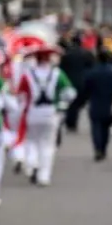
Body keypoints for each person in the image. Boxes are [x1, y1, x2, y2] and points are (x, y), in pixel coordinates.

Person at [16, 44, 76, 186]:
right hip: (50, 113)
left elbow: (20, 95)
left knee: (31, 141)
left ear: (36, 59)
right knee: (47, 145)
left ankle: (32, 164)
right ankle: (44, 176)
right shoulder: (57, 74)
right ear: (49, 59)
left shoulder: (27, 74)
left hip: (33, 112)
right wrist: (62, 104)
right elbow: (70, 93)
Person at [82, 49, 112, 160]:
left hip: (95, 102)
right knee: (106, 128)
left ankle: (97, 148)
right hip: (109, 103)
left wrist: (85, 99)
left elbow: (86, 88)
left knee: (96, 127)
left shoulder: (91, 73)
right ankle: (103, 148)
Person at [59, 35, 95, 132]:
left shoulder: (66, 54)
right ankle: (72, 121)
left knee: (71, 103)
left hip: (69, 81)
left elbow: (61, 69)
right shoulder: (87, 54)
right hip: (83, 82)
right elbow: (92, 68)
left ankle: (70, 122)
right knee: (78, 103)